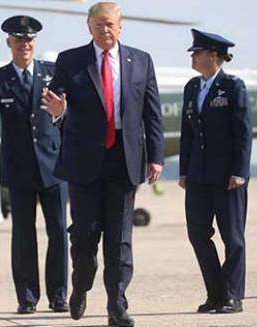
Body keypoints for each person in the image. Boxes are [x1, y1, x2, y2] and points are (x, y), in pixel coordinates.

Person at [41, 3, 164, 326]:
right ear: (88, 26)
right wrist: (58, 111)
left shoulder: (141, 60)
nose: (104, 30)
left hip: (124, 159)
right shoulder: (71, 60)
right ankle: (80, 287)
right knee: (84, 236)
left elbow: (152, 113)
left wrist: (156, 156)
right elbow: (56, 102)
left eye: (110, 24)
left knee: (120, 239)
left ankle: (117, 306)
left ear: (120, 26)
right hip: (84, 161)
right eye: (98, 24)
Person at [0, 15, 69, 314]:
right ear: (9, 43)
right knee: (23, 237)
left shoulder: (54, 73)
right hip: (19, 169)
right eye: (18, 39)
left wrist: (65, 111)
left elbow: (72, 109)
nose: (24, 44)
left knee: (58, 233)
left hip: (54, 167)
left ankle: (58, 295)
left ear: (34, 42)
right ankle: (27, 298)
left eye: (29, 40)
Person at [179, 28, 252, 314]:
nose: (193, 57)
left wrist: (240, 171)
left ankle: (233, 296)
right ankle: (215, 293)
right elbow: (188, 134)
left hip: (227, 177)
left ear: (212, 54)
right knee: (198, 234)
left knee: (232, 237)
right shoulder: (192, 88)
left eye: (196, 52)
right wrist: (184, 170)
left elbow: (243, 133)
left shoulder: (233, 86)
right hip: (197, 175)